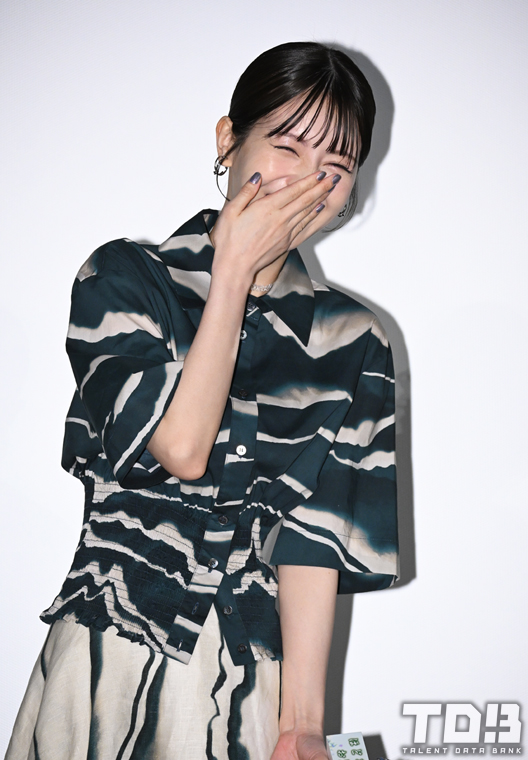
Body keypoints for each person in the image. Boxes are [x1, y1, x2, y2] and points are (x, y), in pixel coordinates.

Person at [5, 41, 398, 760]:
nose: (309, 182)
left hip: (252, 678)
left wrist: (303, 726)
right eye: (287, 146)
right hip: (109, 657)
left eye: (336, 168)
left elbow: (314, 543)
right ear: (228, 140)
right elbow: (180, 448)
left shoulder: (353, 339)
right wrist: (233, 273)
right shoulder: (126, 279)